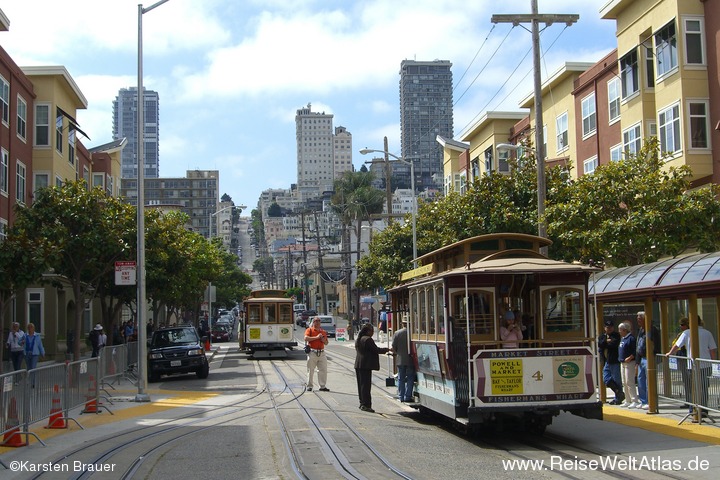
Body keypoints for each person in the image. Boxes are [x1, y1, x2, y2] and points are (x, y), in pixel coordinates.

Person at [666, 317, 717, 420]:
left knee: (692, 388)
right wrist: (713, 363)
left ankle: (693, 409)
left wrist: (670, 353)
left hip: (692, 365)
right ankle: (703, 409)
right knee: (704, 388)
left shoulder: (686, 333)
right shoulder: (707, 333)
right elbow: (712, 350)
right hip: (705, 364)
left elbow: (677, 345)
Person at [355, 323, 389, 412]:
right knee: (366, 386)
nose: (373, 333)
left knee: (361, 385)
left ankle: (362, 403)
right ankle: (366, 405)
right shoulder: (368, 340)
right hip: (365, 365)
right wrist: (387, 349)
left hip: (359, 365)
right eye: (372, 331)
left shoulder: (359, 339)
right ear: (368, 331)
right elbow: (376, 350)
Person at [635, 311, 660, 410]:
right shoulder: (641, 330)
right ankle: (643, 400)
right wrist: (637, 361)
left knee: (649, 381)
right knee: (640, 380)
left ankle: (650, 401)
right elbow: (638, 345)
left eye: (640, 319)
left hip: (649, 358)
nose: (638, 321)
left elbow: (657, 343)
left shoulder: (652, 330)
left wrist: (654, 354)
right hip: (641, 358)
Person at [598, 320, 624, 405]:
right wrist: (606, 341)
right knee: (606, 378)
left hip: (614, 360)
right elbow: (600, 344)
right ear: (605, 328)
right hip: (607, 361)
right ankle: (618, 392)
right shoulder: (603, 336)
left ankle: (618, 398)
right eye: (607, 327)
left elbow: (613, 344)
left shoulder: (616, 335)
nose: (609, 328)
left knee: (616, 379)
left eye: (611, 327)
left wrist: (606, 343)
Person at [391, 318, 415, 402]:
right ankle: (408, 396)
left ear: (403, 324)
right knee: (410, 378)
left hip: (400, 359)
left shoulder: (397, 333)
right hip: (411, 360)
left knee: (401, 378)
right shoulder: (414, 333)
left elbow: (394, 346)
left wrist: (397, 353)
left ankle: (401, 396)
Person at [304, 316, 329, 392]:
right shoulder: (310, 330)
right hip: (312, 352)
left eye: (319, 321)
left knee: (323, 369)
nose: (317, 322)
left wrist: (323, 340)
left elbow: (326, 343)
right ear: (313, 322)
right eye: (316, 321)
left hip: (321, 352)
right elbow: (306, 338)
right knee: (310, 370)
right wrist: (316, 337)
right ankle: (310, 386)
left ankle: (322, 386)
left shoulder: (323, 331)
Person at [618, 321, 640, 408]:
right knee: (624, 382)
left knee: (629, 381)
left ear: (625, 330)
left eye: (620, 330)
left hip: (629, 363)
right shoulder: (623, 338)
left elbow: (635, 351)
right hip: (622, 363)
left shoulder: (631, 338)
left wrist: (630, 357)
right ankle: (628, 400)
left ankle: (634, 400)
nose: (619, 331)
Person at [24, 323, 45, 387]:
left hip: (35, 354)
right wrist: (21, 342)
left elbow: (40, 345)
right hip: (27, 353)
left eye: (31, 328)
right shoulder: (25, 335)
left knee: (33, 367)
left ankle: (33, 383)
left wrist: (42, 353)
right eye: (29, 328)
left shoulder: (37, 336)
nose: (30, 329)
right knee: (28, 368)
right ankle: (28, 381)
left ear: (33, 329)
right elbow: (19, 342)